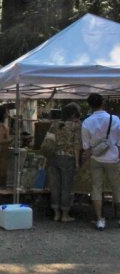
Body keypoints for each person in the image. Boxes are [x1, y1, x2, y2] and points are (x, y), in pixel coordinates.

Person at [81, 93, 120, 231]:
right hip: (113, 158)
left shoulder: (87, 122)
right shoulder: (115, 119)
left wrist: (86, 161)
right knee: (117, 188)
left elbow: (86, 146)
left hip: (96, 158)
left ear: (90, 105)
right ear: (103, 103)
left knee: (96, 188)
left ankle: (100, 219)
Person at [47, 103, 81, 222]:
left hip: (54, 157)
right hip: (68, 158)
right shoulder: (76, 126)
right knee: (67, 186)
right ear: (73, 114)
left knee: (55, 186)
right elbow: (77, 145)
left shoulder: (55, 124)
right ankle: (65, 214)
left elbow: (49, 142)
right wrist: (77, 163)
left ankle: (56, 213)